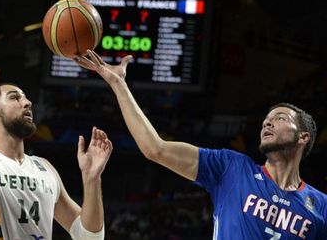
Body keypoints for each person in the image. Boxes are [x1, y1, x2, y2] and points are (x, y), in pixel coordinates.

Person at [74, 50, 327, 239]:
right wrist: (119, 85)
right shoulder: (231, 167)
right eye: (266, 120)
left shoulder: (322, 207)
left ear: (303, 137)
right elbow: (155, 149)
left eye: (279, 119)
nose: (267, 124)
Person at [0, 68, 112, 240]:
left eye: (25, 97)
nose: (27, 102)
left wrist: (92, 179)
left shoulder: (45, 167)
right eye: (14, 97)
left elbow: (89, 237)